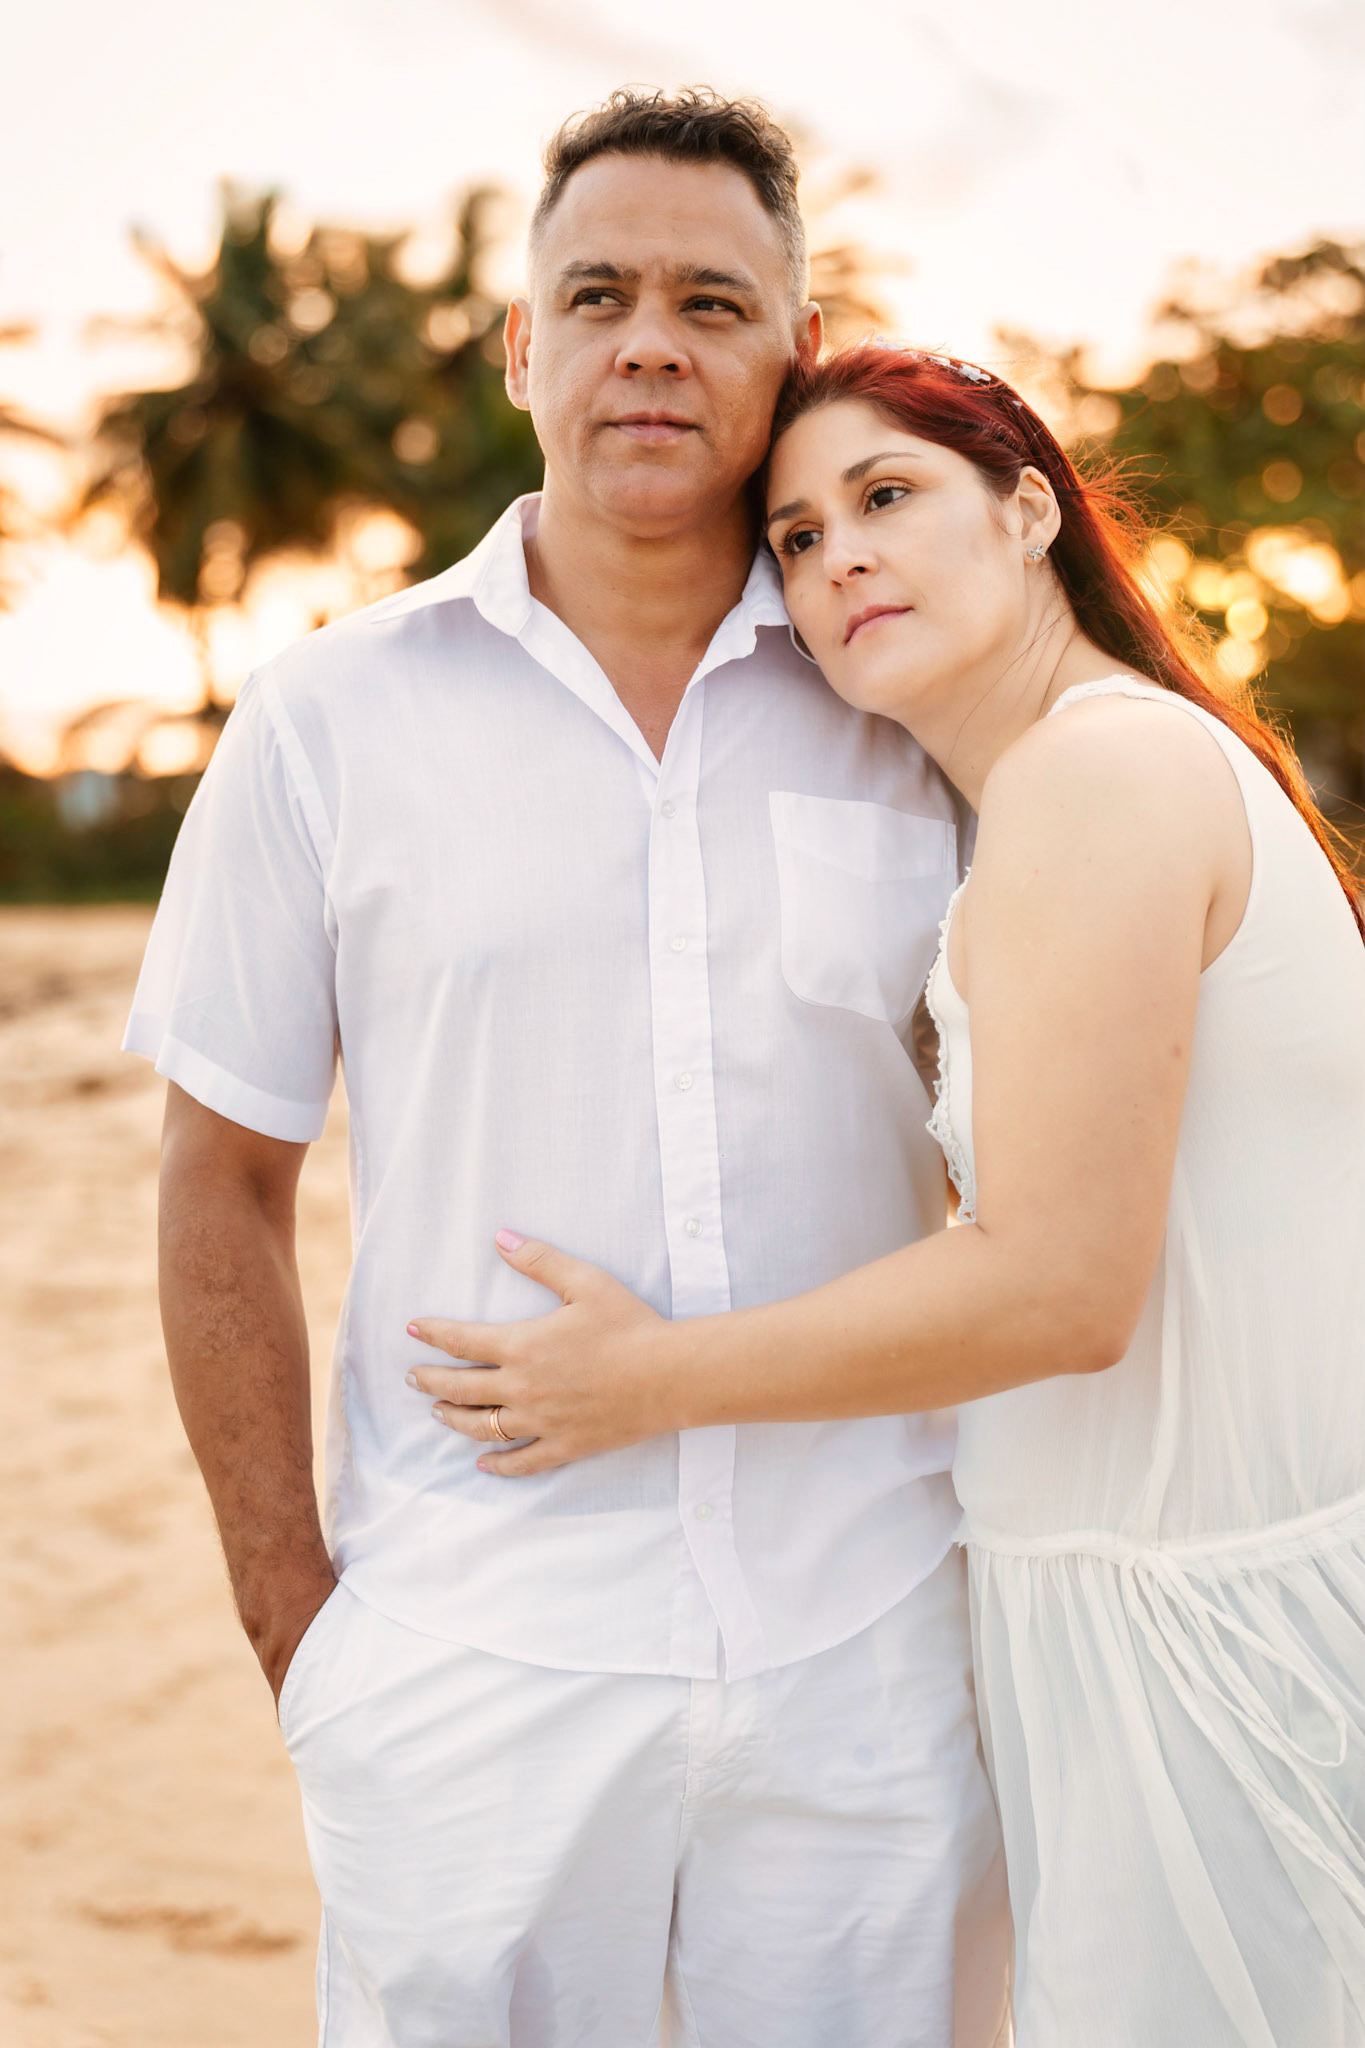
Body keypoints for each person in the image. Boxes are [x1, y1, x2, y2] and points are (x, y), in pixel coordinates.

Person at [125, 96, 1010, 2047]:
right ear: (519, 345)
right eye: (595, 293)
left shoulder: (915, 712)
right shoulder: (326, 721)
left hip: (866, 1648)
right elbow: (219, 1179)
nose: (649, 343)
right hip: (467, 1659)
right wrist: (303, 1623)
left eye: (712, 302)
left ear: (791, 350)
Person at [408, 343, 1365, 2047]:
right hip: (1157, 1615)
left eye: (884, 496)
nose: (835, 554)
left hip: (1198, 1643)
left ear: (1025, 510)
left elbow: (1061, 1288)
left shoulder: (1096, 778)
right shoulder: (1069, 788)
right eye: (790, 535)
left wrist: (644, 1381)